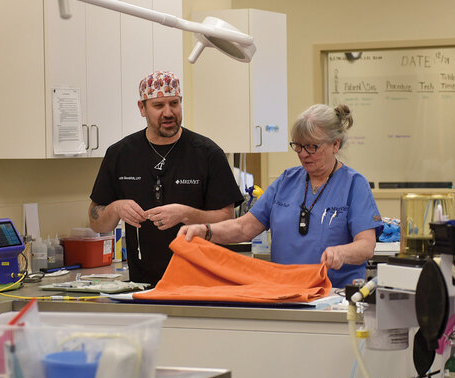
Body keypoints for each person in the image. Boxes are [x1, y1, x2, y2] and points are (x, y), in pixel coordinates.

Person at [179, 104, 382, 288]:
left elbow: (366, 246)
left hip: (335, 294)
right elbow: (244, 227)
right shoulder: (286, 181)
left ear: (335, 145)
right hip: (287, 291)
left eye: (312, 146)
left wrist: (341, 253)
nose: (303, 154)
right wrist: (205, 231)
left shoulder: (354, 185)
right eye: (298, 146)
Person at [88, 70, 243, 284]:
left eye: (174, 104)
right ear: (142, 108)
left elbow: (227, 218)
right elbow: (96, 223)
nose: (168, 113)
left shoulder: (207, 153)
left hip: (200, 282)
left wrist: (185, 214)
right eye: (158, 106)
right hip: (142, 283)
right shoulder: (120, 154)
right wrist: (116, 208)